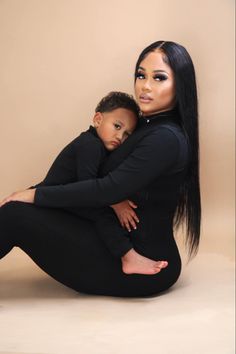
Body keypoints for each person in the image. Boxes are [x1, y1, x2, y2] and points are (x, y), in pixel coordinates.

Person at [0, 40, 201, 297]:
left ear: (180, 85)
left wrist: (34, 194)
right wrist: (37, 194)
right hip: (112, 241)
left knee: (14, 215)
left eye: (159, 78)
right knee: (17, 210)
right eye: (141, 75)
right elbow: (102, 185)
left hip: (139, 261)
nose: (145, 86)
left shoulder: (165, 138)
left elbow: (106, 189)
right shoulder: (146, 125)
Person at [28, 91, 166, 275]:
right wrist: (116, 202)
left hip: (67, 199)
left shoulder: (99, 147)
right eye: (117, 126)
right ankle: (128, 256)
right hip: (55, 201)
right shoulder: (90, 145)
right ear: (98, 119)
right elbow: (90, 189)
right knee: (102, 214)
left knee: (100, 212)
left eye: (126, 134)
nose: (120, 136)